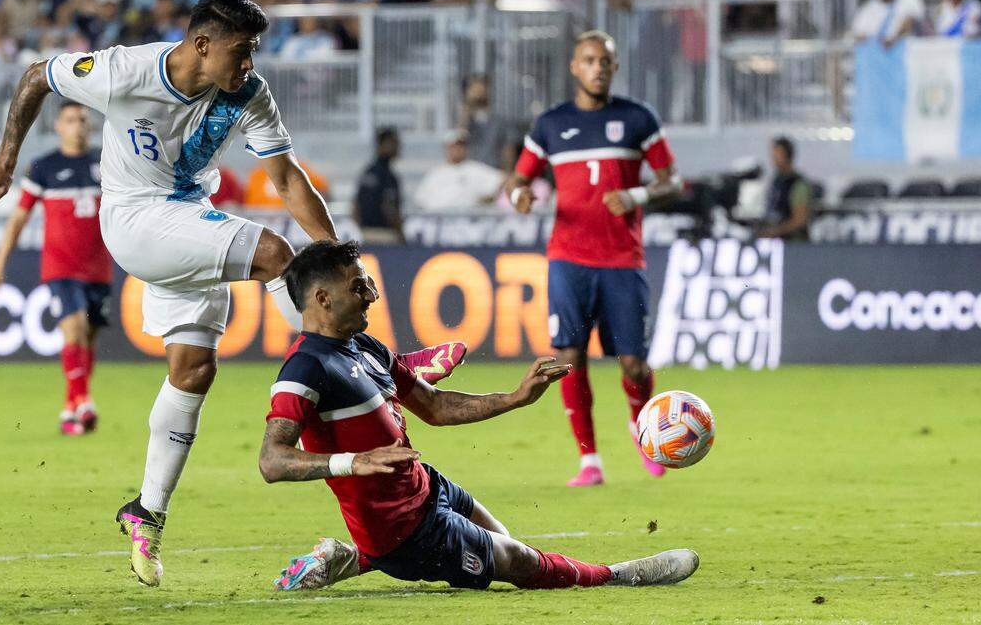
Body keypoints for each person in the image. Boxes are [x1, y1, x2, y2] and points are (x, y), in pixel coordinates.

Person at [0, 0, 463, 588]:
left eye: (254, 51)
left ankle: (146, 511)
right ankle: (377, 366)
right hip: (135, 218)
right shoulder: (126, 71)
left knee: (193, 370)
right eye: (242, 51)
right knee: (274, 254)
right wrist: (4, 160)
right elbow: (34, 78)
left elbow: (284, 176)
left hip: (187, 220)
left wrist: (334, 255)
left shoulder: (249, 93)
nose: (250, 64)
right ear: (202, 45)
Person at [261, 240, 700, 592]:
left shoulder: (365, 346)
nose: (372, 295)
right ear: (322, 298)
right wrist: (353, 462)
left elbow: (434, 406)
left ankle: (352, 558)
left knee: (505, 540)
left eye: (369, 284)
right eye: (359, 288)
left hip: (425, 486)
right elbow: (272, 460)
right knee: (521, 563)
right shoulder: (304, 369)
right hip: (403, 532)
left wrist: (515, 397)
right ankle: (619, 575)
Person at [506, 31, 684, 487]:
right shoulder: (550, 124)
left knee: (634, 364)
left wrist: (636, 192)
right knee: (568, 357)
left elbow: (672, 181)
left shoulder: (638, 119)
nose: (597, 67)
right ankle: (589, 461)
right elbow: (517, 181)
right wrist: (521, 194)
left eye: (605, 60)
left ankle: (640, 426)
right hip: (568, 257)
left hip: (623, 259)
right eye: (589, 60)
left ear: (615, 66)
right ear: (574, 66)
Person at [0, 101, 113, 435]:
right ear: (58, 126)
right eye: (70, 120)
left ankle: (71, 409)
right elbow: (17, 221)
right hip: (61, 267)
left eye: (83, 120)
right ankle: (84, 401)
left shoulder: (107, 162)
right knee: (74, 330)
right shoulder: (44, 167)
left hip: (99, 268)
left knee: (89, 338)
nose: (78, 126)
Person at [412, 130, 505, 212]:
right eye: (453, 146)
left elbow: (503, 181)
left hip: (469, 222)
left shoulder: (475, 169)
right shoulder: (435, 173)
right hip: (440, 221)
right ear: (446, 148)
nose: (457, 150)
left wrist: (487, 200)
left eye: (460, 146)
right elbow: (420, 200)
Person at [353, 126, 405, 243]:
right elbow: (389, 208)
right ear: (384, 144)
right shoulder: (388, 176)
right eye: (394, 143)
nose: (398, 147)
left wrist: (359, 230)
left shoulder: (368, 172)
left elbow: (355, 206)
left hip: (364, 233)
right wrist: (401, 235)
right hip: (384, 235)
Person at [755, 136, 812, 241]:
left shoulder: (797, 184)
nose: (773, 158)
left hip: (794, 244)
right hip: (777, 242)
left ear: (787, 155)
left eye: (777, 154)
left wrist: (775, 232)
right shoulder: (776, 181)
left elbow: (800, 219)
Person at [458, 74, 514, 169]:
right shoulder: (464, 118)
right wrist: (469, 104)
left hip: (493, 172)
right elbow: (459, 136)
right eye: (474, 89)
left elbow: (507, 149)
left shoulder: (499, 121)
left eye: (482, 89)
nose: (479, 93)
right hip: (467, 172)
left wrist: (507, 172)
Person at [851, 0, 925, 47]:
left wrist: (896, 37)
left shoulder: (911, 0)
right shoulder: (869, 5)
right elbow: (857, 32)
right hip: (875, 56)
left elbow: (917, 25)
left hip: (907, 52)